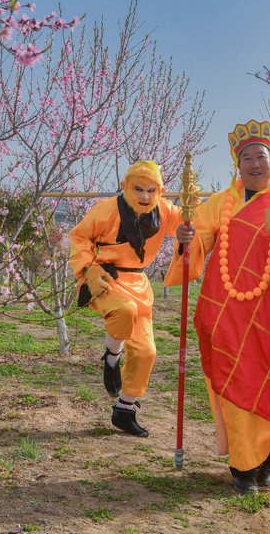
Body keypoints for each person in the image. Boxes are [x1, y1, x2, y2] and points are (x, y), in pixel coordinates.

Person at [165, 120, 270, 494]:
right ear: (237, 165)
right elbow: (197, 248)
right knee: (236, 385)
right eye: (246, 158)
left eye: (261, 156)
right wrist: (184, 238)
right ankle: (242, 468)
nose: (254, 164)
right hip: (227, 315)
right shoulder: (219, 205)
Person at [69, 161, 181, 437]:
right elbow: (80, 237)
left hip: (139, 284)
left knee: (146, 352)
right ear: (125, 187)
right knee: (125, 310)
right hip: (104, 278)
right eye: (138, 189)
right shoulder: (106, 209)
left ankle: (124, 409)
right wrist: (88, 268)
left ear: (161, 191)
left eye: (150, 190)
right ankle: (113, 356)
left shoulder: (164, 210)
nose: (144, 196)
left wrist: (190, 228)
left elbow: (190, 224)